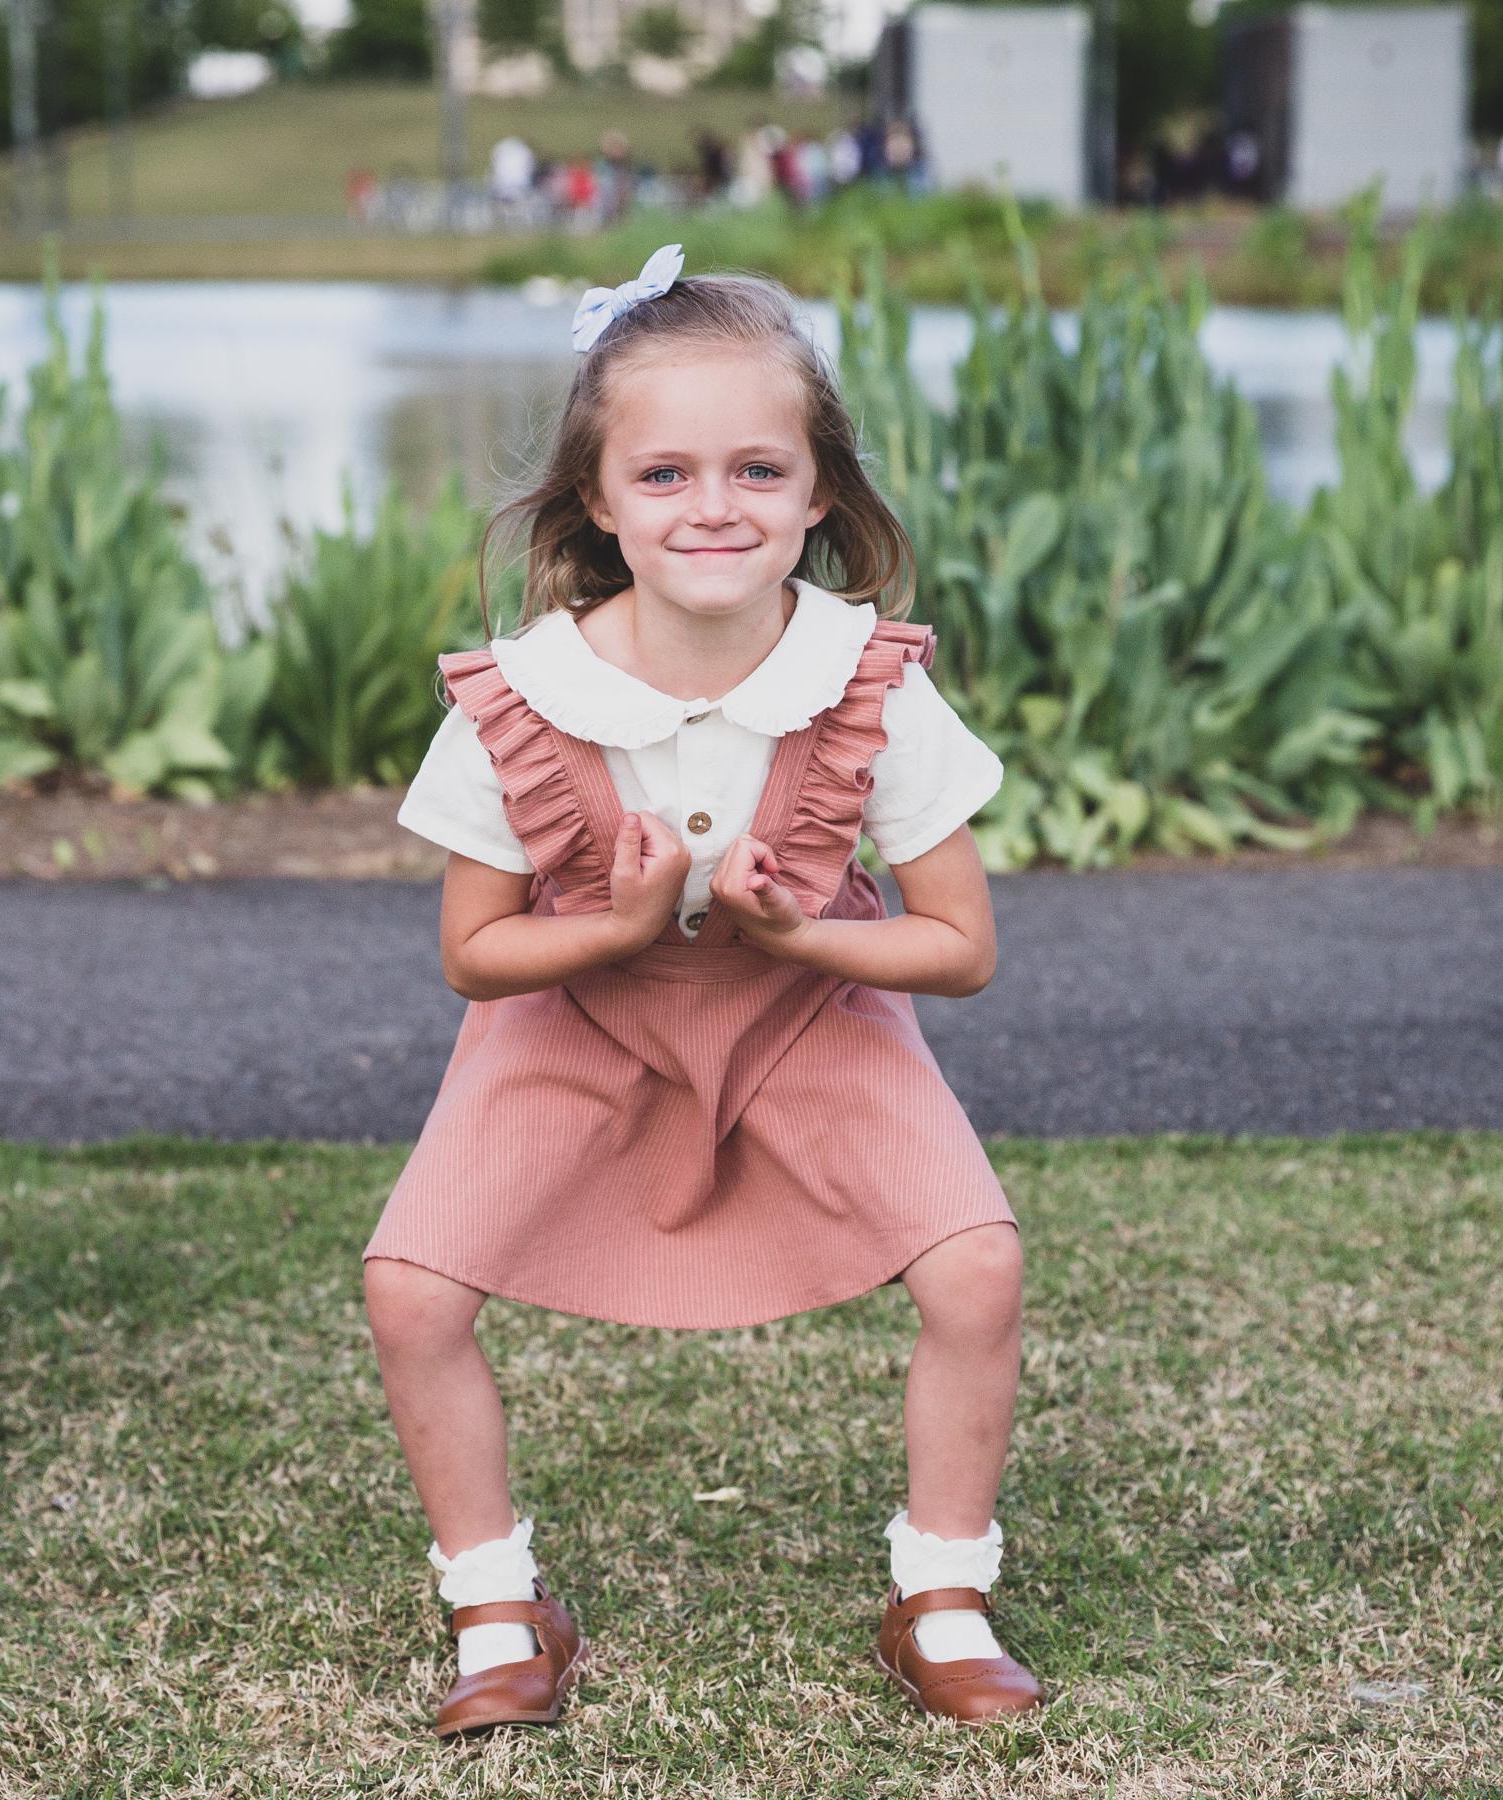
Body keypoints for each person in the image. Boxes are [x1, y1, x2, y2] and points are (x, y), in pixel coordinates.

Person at [362, 241, 1043, 1737]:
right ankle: (498, 1608)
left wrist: (800, 938)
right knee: (409, 1289)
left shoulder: (871, 682)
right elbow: (475, 956)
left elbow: (959, 948)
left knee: (978, 1270)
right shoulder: (518, 698)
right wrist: (612, 926)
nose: (714, 507)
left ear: (820, 495)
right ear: (599, 501)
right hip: (573, 1014)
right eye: (664, 474)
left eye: (758, 469)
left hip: (811, 1009)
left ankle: (942, 1596)